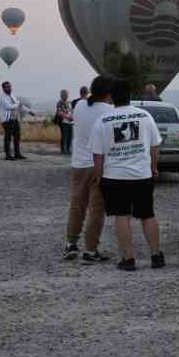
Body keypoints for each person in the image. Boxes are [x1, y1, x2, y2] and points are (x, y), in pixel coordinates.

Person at [89, 78, 164, 271]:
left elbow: (98, 155)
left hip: (114, 176)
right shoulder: (145, 116)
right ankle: (156, 256)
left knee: (121, 216)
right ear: (130, 95)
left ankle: (129, 259)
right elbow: (155, 147)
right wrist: (154, 168)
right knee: (148, 215)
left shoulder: (103, 120)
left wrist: (98, 176)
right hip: (141, 175)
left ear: (112, 97)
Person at [64, 76, 112, 262]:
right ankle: (91, 250)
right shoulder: (110, 110)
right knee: (97, 209)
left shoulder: (79, 106)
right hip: (100, 165)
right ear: (108, 93)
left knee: (77, 205)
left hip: (79, 164)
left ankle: (71, 244)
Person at [0, 80, 24, 161]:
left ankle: (17, 153)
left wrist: (27, 110)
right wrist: (17, 104)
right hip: (7, 120)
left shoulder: (12, 95)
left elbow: (17, 104)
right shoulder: (2, 97)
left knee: (17, 136)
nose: (9, 88)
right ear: (3, 88)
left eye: (10, 86)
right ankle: (7, 155)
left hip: (15, 118)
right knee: (8, 137)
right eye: (7, 87)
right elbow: (8, 106)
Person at [53, 88, 74, 155]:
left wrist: (72, 117)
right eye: (64, 94)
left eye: (67, 94)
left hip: (70, 122)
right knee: (64, 136)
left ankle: (68, 149)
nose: (66, 95)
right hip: (63, 122)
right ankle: (63, 150)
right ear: (61, 95)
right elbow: (59, 112)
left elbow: (71, 111)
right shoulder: (60, 103)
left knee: (70, 136)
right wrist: (68, 117)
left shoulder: (69, 102)